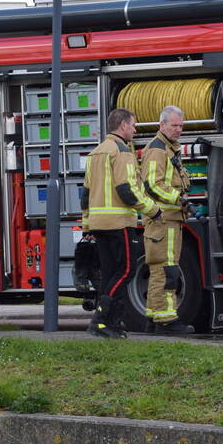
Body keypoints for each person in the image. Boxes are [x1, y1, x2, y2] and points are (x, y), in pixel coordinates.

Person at [81, 108, 162, 339]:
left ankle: (111, 323)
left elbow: (85, 195)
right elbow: (128, 190)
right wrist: (153, 210)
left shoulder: (95, 153)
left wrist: (87, 224)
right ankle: (101, 320)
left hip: (98, 224)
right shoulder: (122, 151)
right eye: (133, 126)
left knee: (110, 274)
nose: (135, 130)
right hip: (118, 223)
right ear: (123, 125)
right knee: (126, 270)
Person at [139, 105, 195, 335]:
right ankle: (167, 321)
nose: (178, 129)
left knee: (162, 268)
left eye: (181, 125)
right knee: (166, 269)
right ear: (162, 125)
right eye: (174, 125)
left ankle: (155, 317)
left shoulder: (168, 148)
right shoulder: (157, 149)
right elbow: (152, 184)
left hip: (169, 219)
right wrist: (178, 199)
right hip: (163, 220)